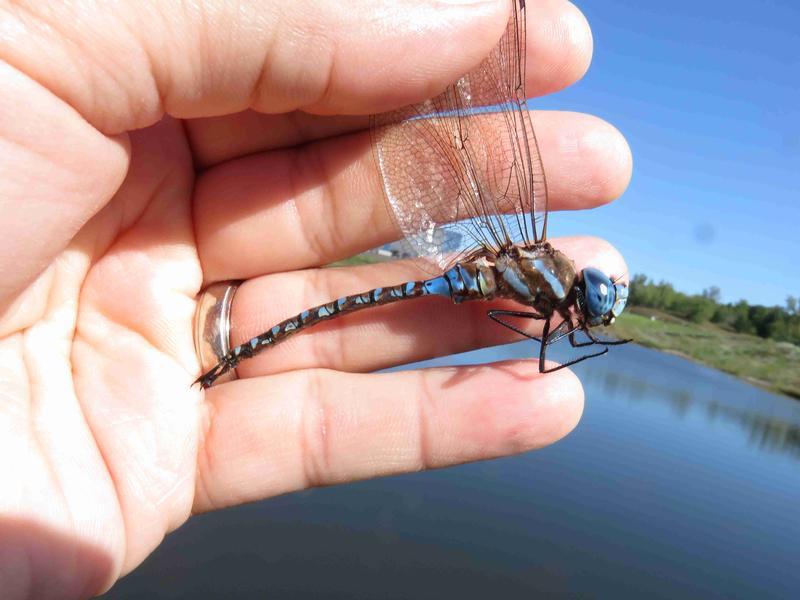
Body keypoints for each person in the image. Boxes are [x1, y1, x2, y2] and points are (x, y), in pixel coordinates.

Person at [0, 0, 631, 597]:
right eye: (590, 309)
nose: (586, 315)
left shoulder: (544, 273)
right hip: (464, 279)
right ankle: (234, 357)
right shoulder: (550, 298)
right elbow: (527, 337)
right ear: (578, 301)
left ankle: (230, 359)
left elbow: (505, 316)